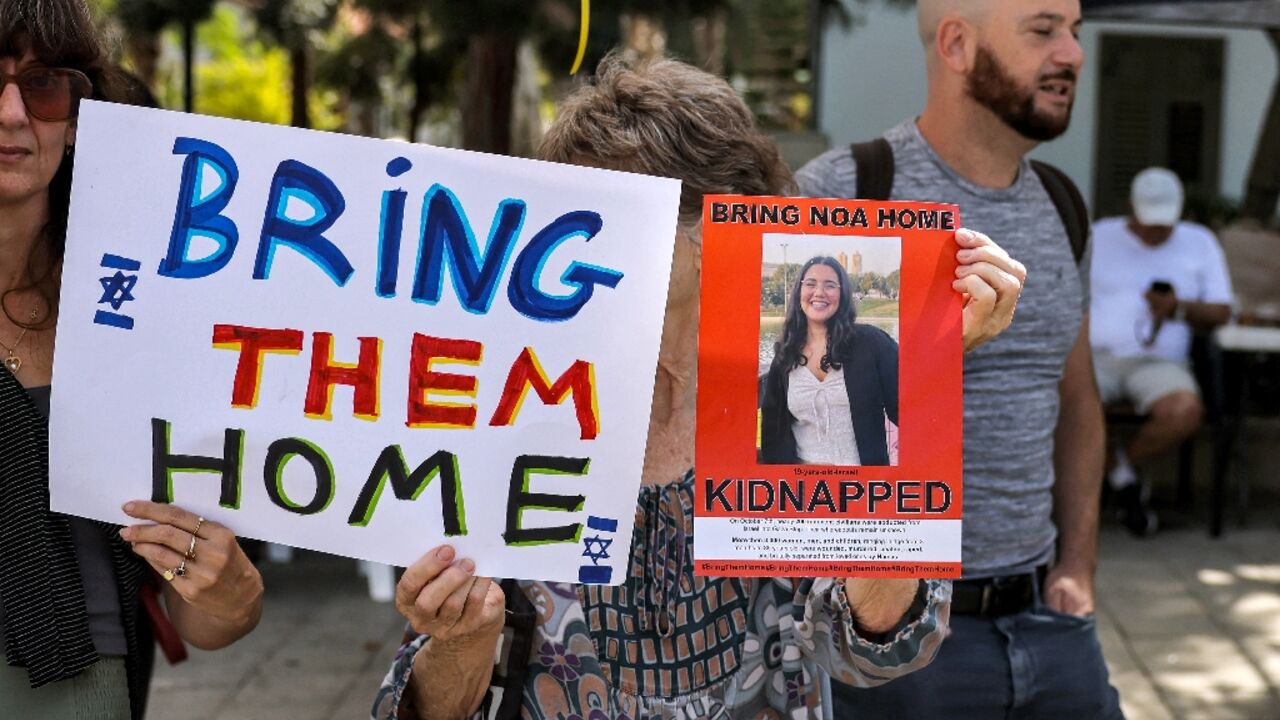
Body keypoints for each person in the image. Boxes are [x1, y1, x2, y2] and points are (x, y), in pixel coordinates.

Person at [373, 53, 1025, 720]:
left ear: (714, 229)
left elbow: (872, 651)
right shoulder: (515, 402)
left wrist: (917, 381)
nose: (571, 246)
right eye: (567, 212)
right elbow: (422, 704)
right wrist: (464, 640)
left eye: (610, 214)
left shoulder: (791, 396)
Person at [797, 0, 1126, 717]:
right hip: (896, 639)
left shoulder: (1063, 204)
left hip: (1050, 616)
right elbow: (794, 403)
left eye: (1074, 31)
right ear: (955, 44)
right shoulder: (848, 191)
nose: (1072, 53)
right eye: (1044, 31)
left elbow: (1075, 400)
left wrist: (1077, 566)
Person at [0, 3, 263, 717]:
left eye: (44, 85)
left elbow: (201, 612)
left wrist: (228, 592)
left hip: (93, 685)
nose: (12, 114)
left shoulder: (143, 316)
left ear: (81, 115)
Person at [1091, 167, 1233, 536]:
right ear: (1130, 208)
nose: (1156, 230)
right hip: (1097, 359)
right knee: (1061, 404)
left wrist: (1178, 307)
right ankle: (1124, 482)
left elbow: (1221, 311)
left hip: (1160, 362)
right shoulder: (1100, 235)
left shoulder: (1200, 242)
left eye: (1164, 221)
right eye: (1148, 220)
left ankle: (1118, 469)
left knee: (1185, 411)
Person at [760, 256, 898, 466]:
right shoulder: (785, 355)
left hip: (864, 486)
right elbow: (772, 432)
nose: (819, 292)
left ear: (842, 295)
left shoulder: (872, 343)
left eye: (830, 285)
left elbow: (909, 410)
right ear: (799, 292)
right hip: (802, 488)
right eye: (811, 284)